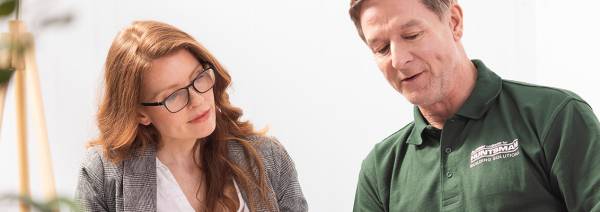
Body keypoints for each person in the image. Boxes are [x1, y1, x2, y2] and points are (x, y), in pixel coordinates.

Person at [348, 0, 600, 211]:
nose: (399, 60)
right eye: (381, 48)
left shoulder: (555, 117)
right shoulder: (380, 168)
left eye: (411, 35)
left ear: (454, 22)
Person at [75, 20, 308, 212]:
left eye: (198, 77)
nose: (198, 100)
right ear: (140, 113)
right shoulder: (102, 174)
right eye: (174, 95)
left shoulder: (268, 157)